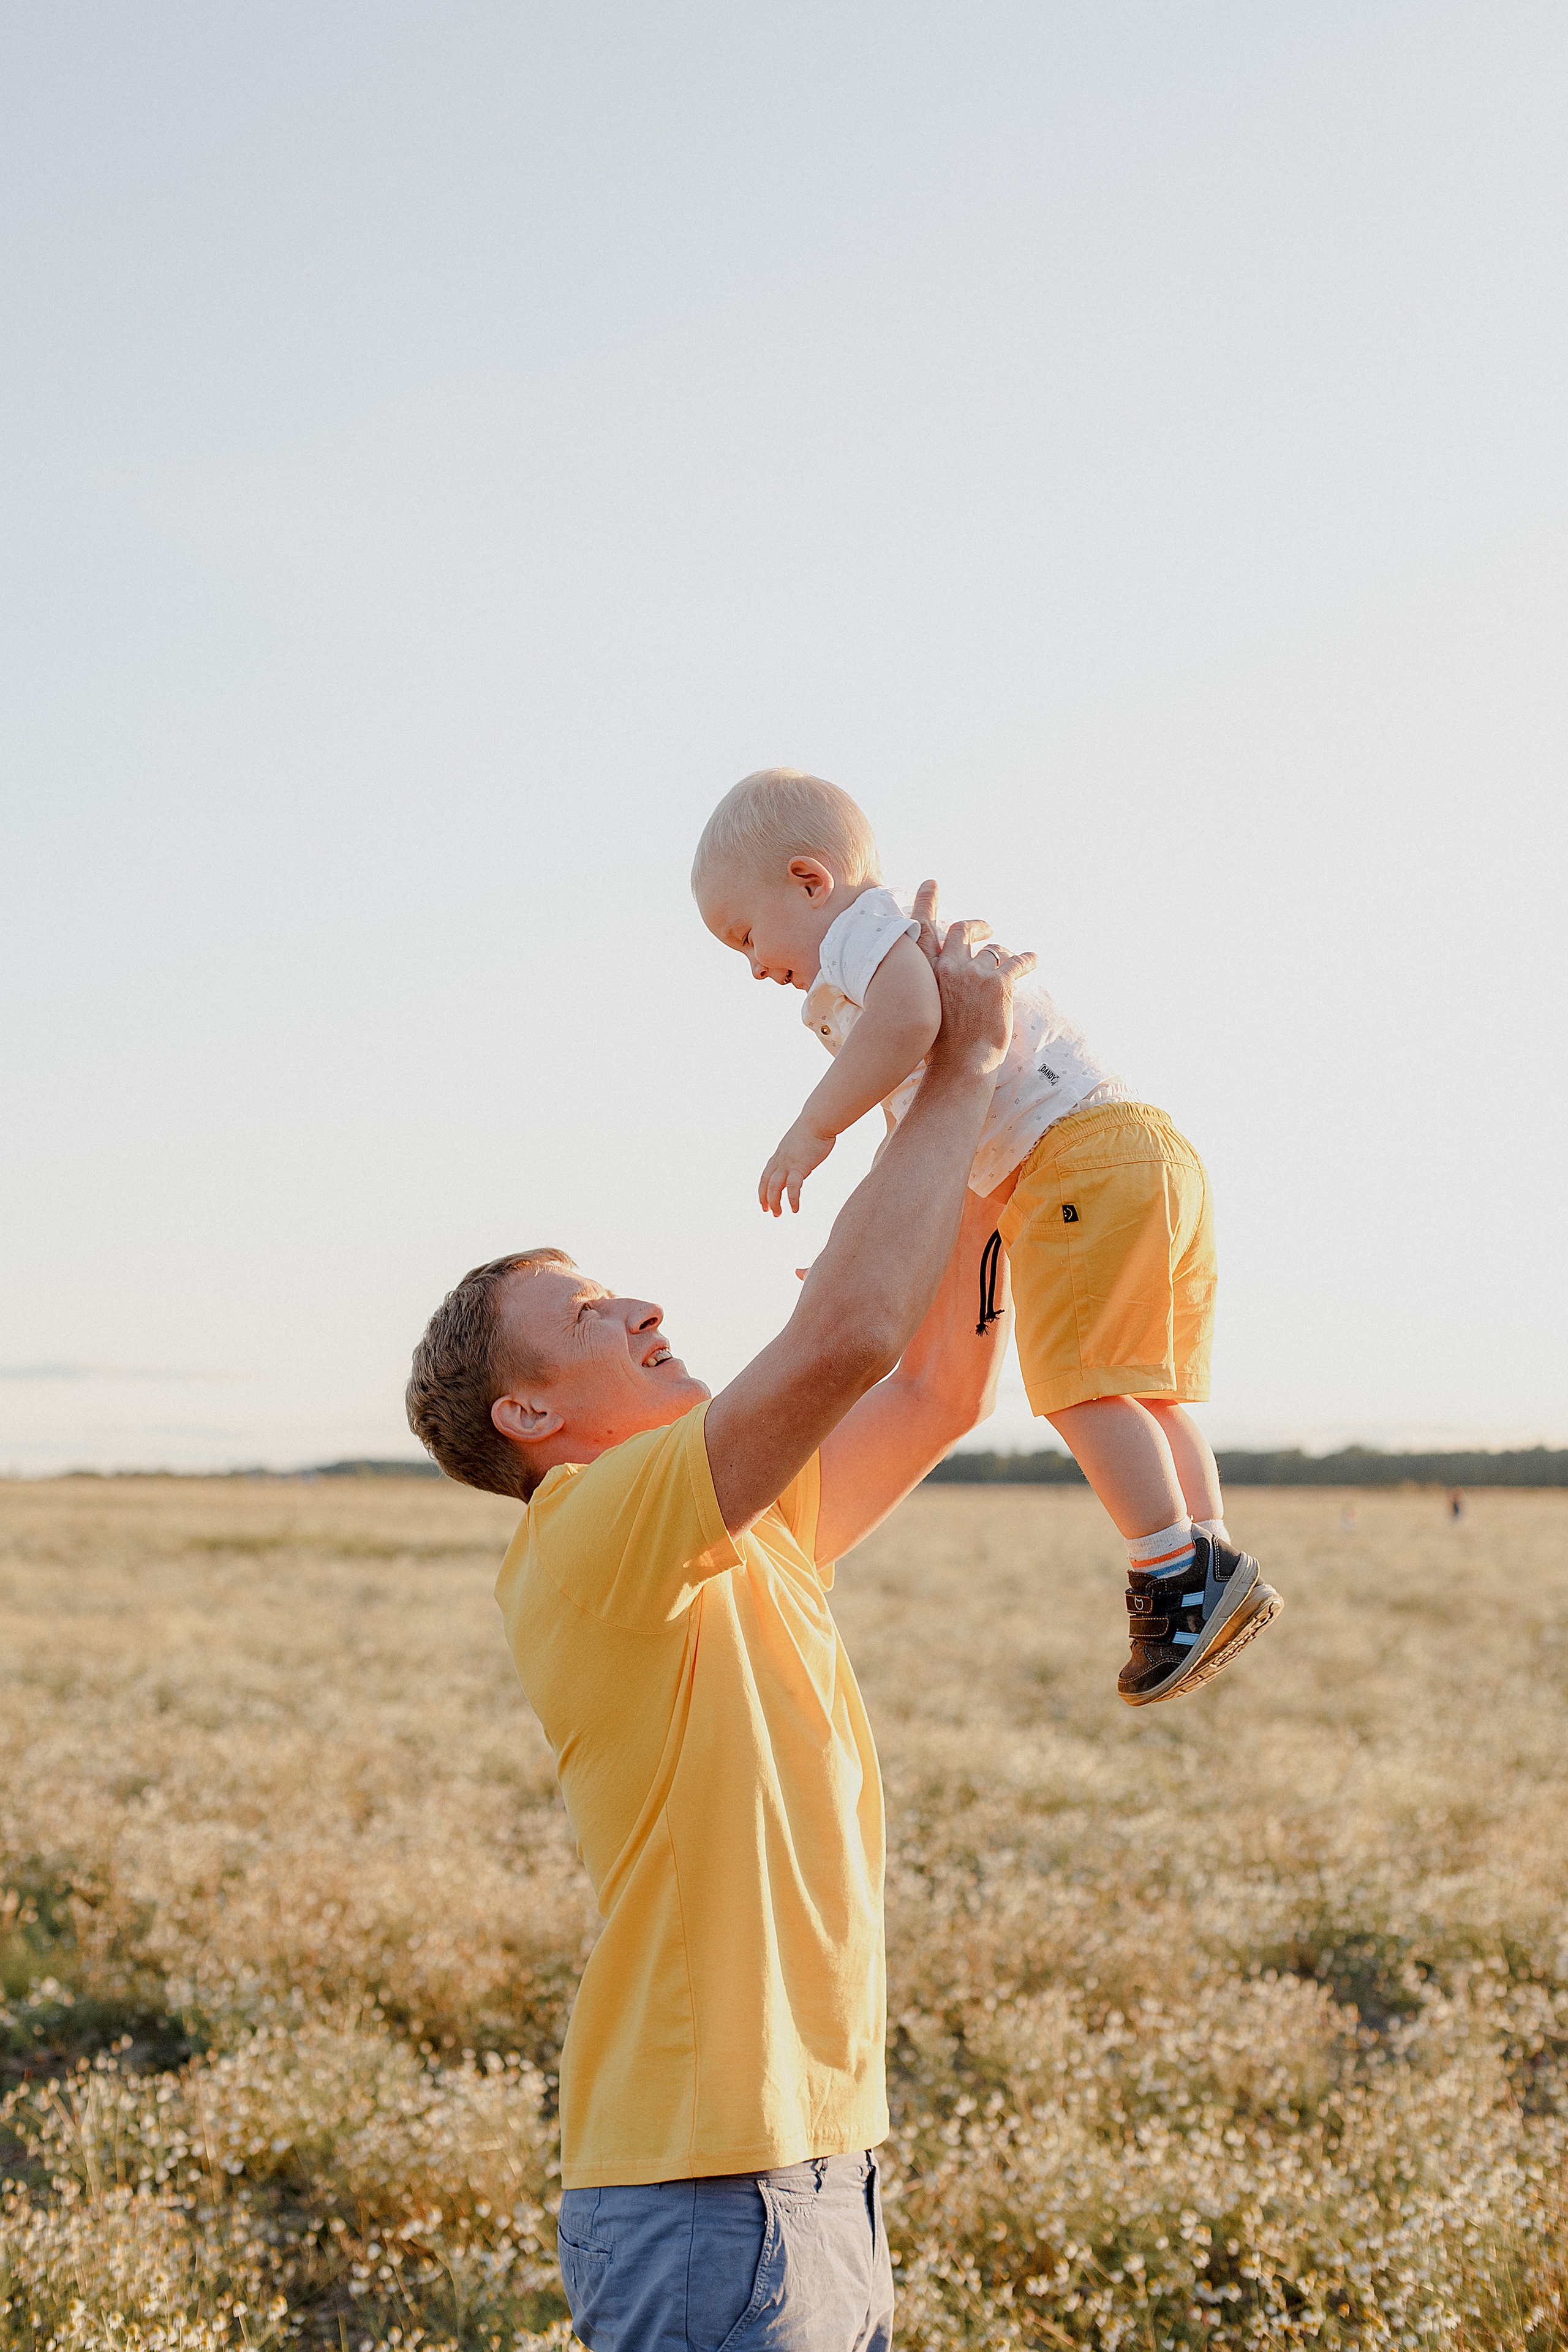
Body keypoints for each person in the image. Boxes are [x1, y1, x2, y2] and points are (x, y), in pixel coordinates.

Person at [404, 916, 1033, 2350]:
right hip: (706, 2191)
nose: (643, 1304)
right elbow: (845, 1339)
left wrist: (995, 1150)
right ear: (531, 1419)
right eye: (586, 1308)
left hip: (819, 2165)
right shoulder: (587, 1531)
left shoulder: (747, 1529)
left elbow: (936, 1385)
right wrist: (957, 1067)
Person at [693, 769, 1281, 1707]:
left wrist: (813, 1127)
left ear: (810, 880)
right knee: (1146, 1389)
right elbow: (917, 1143)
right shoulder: (890, 953)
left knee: (1079, 1387)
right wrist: (868, 1244)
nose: (756, 967)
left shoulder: (866, 940)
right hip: (1138, 1150)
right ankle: (1209, 1553)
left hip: (1070, 1163)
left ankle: (1171, 1570)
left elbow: (912, 1027)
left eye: (746, 936)